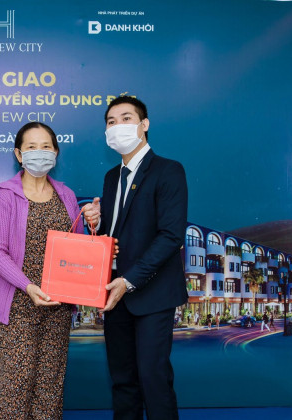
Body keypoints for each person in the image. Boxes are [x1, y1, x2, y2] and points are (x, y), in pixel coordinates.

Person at [82, 96, 188, 419]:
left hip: (151, 293)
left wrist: (128, 280)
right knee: (123, 382)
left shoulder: (168, 171)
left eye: (126, 118)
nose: (118, 126)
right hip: (115, 295)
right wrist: (96, 225)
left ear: (144, 125)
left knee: (154, 381)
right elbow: (114, 237)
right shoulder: (111, 177)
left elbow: (170, 236)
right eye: (111, 122)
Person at [0, 122, 85, 419]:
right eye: (31, 147)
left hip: (57, 306)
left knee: (49, 390)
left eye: (46, 146)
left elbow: (79, 247)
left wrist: (90, 222)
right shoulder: (5, 196)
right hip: (18, 306)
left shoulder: (66, 195)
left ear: (55, 152)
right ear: (19, 154)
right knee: (16, 390)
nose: (39, 153)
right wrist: (28, 286)